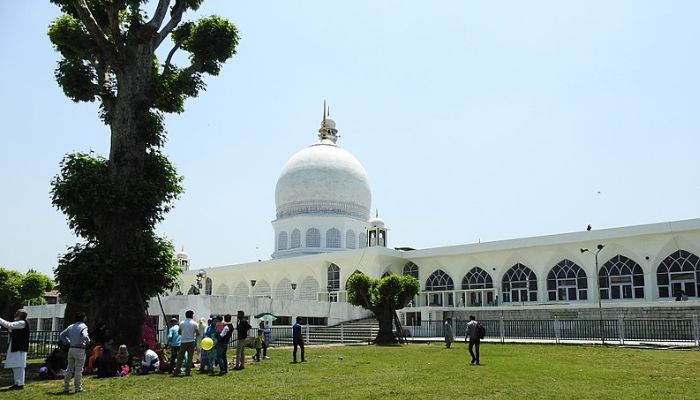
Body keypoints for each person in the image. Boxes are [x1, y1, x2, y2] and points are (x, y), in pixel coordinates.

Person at [59, 312, 90, 393]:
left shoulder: (71, 326)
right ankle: (78, 388)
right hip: (80, 350)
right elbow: (85, 336)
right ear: (83, 318)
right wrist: (87, 342)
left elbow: (62, 335)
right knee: (78, 370)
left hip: (71, 349)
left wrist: (67, 342)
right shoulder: (83, 326)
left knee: (69, 369)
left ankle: (66, 387)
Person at [0, 309, 31, 390]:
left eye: (17, 313)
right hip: (17, 346)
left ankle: (19, 383)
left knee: (19, 366)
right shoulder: (21, 323)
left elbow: (9, 325)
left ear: (20, 316)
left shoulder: (22, 322)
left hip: (19, 348)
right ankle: (17, 383)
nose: (15, 314)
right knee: (16, 365)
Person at [172, 310, 199, 376]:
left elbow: (179, 332)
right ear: (192, 315)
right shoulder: (194, 323)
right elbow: (197, 333)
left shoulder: (182, 323)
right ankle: (188, 371)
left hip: (183, 341)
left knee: (180, 357)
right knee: (190, 358)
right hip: (191, 341)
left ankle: (177, 371)